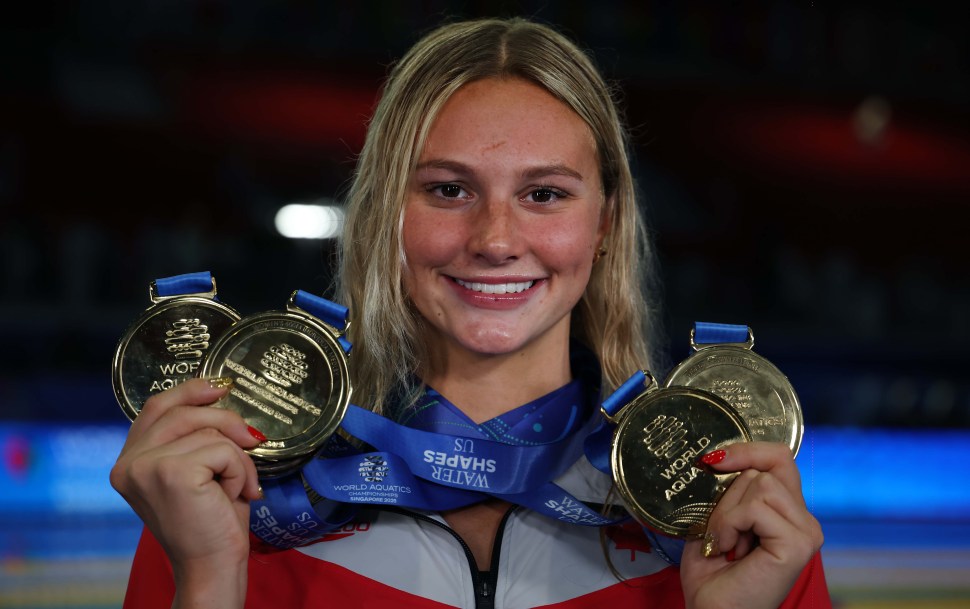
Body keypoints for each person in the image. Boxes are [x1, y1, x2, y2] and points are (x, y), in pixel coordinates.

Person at [110, 16, 830, 609]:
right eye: (449, 190)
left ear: (605, 223)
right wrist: (208, 579)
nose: (494, 239)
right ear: (389, 214)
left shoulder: (729, 520)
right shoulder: (230, 504)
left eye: (544, 194)